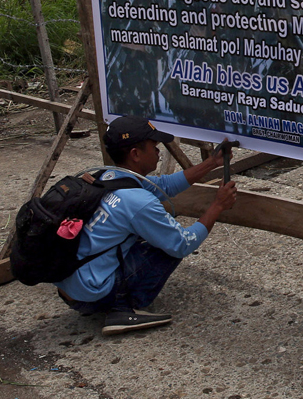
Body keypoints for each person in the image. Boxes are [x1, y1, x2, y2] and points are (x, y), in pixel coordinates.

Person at [55, 115, 237, 336]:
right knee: (168, 242)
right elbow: (182, 243)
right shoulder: (138, 201)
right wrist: (217, 206)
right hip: (91, 294)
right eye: (154, 147)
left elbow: (163, 186)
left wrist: (211, 163)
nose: (159, 152)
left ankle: (108, 294)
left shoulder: (106, 176)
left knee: (151, 231)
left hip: (68, 285)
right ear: (135, 154)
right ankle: (121, 308)